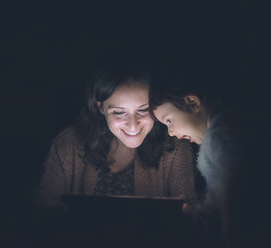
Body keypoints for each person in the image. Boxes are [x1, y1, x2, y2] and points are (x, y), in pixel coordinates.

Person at [38, 64, 197, 209]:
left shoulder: (174, 147)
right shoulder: (68, 145)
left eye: (143, 110)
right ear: (100, 107)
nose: (133, 125)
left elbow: (190, 213)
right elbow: (43, 208)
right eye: (119, 113)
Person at [149, 75, 253, 247]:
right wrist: (202, 212)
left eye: (169, 121)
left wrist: (230, 236)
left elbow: (235, 195)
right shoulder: (214, 137)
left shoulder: (223, 133)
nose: (170, 132)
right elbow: (218, 190)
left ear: (193, 103)